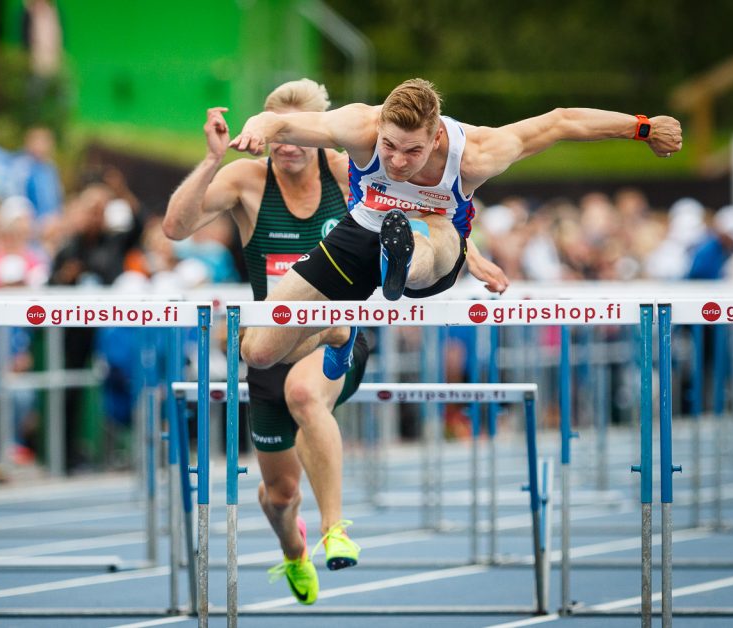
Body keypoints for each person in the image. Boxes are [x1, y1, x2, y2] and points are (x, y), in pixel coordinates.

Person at [165, 79, 507, 605]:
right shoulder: (247, 182)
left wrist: (466, 253)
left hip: (332, 342)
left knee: (307, 394)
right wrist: (212, 161)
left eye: (301, 134)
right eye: (281, 132)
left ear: (320, 134)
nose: (290, 145)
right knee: (280, 495)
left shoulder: (349, 169)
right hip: (270, 350)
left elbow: (429, 203)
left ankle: (333, 528)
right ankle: (295, 550)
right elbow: (175, 227)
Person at [228, 78, 682, 371]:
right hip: (361, 229)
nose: (399, 162)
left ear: (437, 136)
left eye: (413, 152)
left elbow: (562, 122)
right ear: (379, 126)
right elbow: (280, 122)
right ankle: (337, 329)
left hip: (435, 238)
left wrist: (641, 128)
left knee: (429, 236)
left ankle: (399, 259)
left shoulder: (478, 152)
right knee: (258, 352)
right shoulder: (360, 126)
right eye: (390, 147)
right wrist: (257, 129)